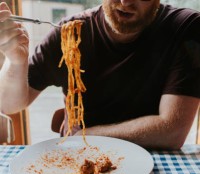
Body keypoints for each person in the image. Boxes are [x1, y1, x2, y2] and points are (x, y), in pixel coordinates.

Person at [0, 0, 200, 150]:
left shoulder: (186, 28)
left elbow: (173, 131)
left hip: (153, 160)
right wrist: (16, 61)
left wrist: (88, 134)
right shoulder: (70, 32)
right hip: (79, 155)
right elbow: (9, 103)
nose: (125, 2)